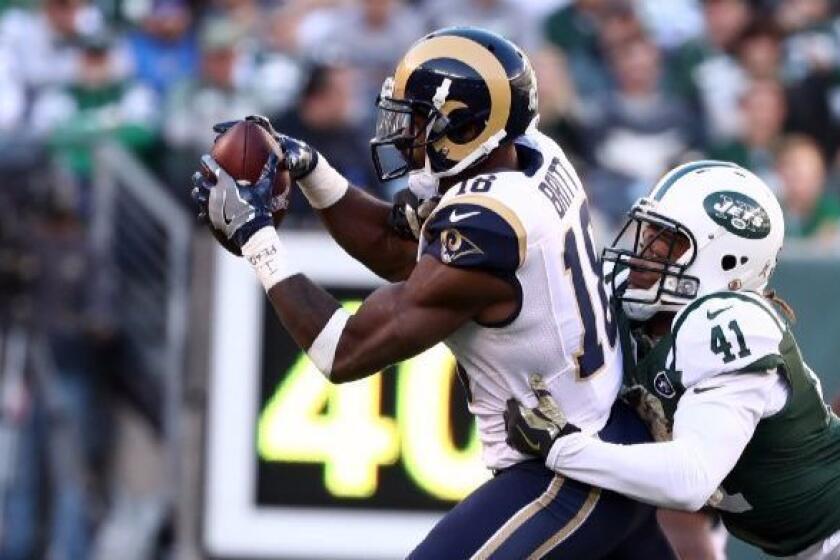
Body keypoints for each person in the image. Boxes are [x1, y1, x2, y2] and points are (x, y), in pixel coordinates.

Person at [192, 27, 676, 559]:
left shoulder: (488, 227)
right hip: (610, 439)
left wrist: (256, 237)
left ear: (465, 128)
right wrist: (309, 167)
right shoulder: (528, 154)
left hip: (570, 468)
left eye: (419, 119)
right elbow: (400, 249)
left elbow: (344, 351)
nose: (405, 132)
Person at [505, 160, 840, 558]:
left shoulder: (727, 324)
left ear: (728, 261)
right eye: (648, 232)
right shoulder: (646, 317)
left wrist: (563, 447)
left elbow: (689, 480)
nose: (646, 253)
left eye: (669, 241)